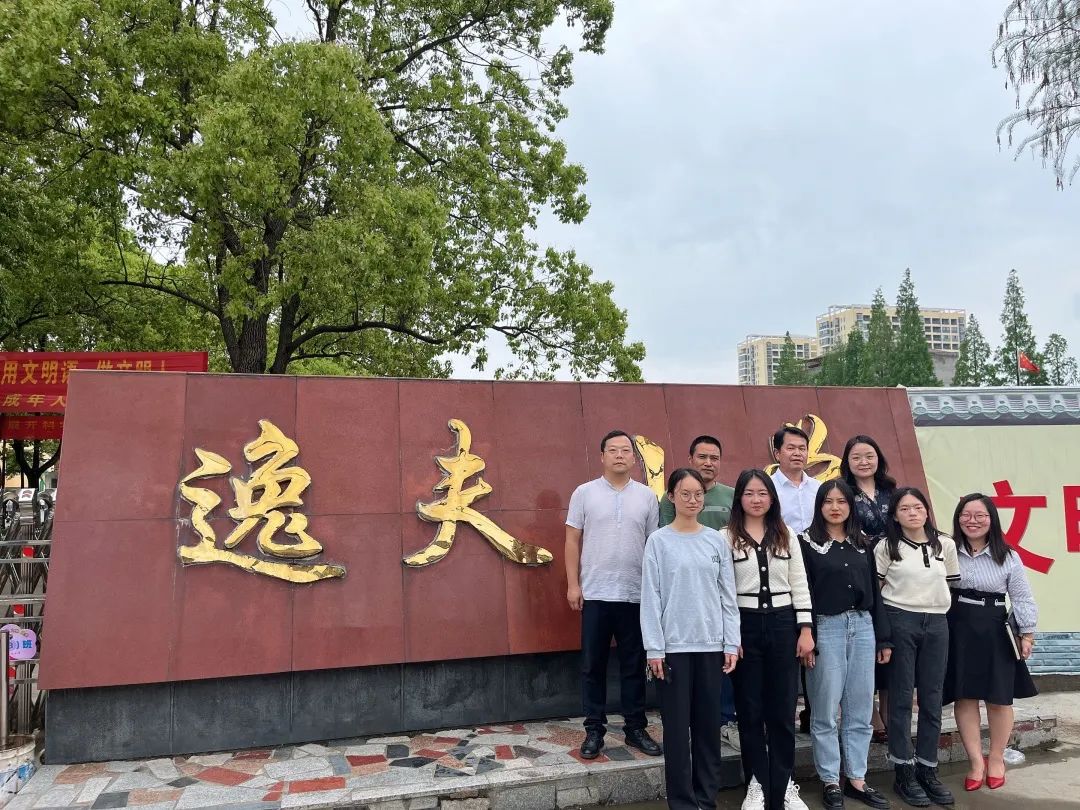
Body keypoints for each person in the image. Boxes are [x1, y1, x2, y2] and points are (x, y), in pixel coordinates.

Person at [642, 468, 741, 810]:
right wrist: (654, 648)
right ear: (671, 497)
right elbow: (650, 597)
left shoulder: (715, 540)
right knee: (676, 730)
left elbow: (727, 595)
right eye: (685, 493)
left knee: (708, 728)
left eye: (698, 494)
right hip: (673, 649)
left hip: (711, 646)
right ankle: (682, 802)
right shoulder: (658, 541)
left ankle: (705, 798)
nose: (692, 500)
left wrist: (731, 642)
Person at [565, 430, 663, 760]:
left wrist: (654, 591)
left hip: (635, 593)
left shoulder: (646, 497)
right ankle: (594, 730)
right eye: (613, 450)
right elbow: (571, 540)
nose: (619, 455)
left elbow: (653, 545)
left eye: (625, 450)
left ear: (634, 458)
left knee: (633, 665)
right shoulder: (584, 493)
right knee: (593, 666)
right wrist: (573, 584)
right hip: (595, 592)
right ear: (602, 456)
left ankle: (635, 728)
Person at [724, 469, 814, 810]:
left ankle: (784, 784)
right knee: (749, 710)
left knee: (782, 709)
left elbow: (800, 582)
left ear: (772, 498)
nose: (756, 499)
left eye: (762, 493)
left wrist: (805, 629)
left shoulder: (785, 534)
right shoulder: (726, 537)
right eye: (749, 493)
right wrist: (730, 635)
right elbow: (723, 591)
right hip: (745, 627)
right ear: (739, 498)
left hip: (782, 624)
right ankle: (757, 784)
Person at [800, 480, 892, 810]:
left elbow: (875, 593)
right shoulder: (806, 543)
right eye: (828, 501)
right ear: (819, 506)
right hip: (826, 627)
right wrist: (806, 633)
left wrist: (883, 638)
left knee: (860, 708)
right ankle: (830, 780)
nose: (835, 507)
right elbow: (803, 592)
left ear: (850, 506)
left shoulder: (862, 543)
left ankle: (856, 779)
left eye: (841, 501)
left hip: (863, 626)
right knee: (825, 710)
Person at [945, 494, 1038, 793]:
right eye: (966, 515)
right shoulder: (946, 549)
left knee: (999, 698)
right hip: (956, 627)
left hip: (994, 629)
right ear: (958, 518)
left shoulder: (1007, 556)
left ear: (991, 520)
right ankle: (975, 762)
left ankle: (996, 758)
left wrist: (1027, 634)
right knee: (964, 697)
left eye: (980, 515)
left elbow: (1022, 597)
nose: (972, 521)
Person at [874, 487, 959, 808]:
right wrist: (884, 635)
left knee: (932, 698)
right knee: (900, 698)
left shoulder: (945, 544)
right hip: (900, 620)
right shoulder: (887, 546)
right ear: (895, 515)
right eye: (905, 508)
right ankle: (903, 770)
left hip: (937, 623)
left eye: (918, 507)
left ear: (926, 511)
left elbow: (950, 584)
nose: (912, 513)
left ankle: (927, 768)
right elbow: (877, 590)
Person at [659, 435, 739, 750]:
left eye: (714, 457)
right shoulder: (669, 502)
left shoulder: (731, 496)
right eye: (702, 457)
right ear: (691, 459)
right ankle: (688, 726)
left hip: (723, 585)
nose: (708, 463)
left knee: (723, 662)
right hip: (682, 596)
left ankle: (724, 721)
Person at [840, 434, 898, 742]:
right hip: (861, 570)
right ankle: (871, 713)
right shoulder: (843, 493)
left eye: (869, 456)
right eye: (856, 457)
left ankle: (889, 710)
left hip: (896, 572)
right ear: (847, 462)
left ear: (878, 459)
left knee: (892, 644)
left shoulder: (891, 491)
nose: (863, 462)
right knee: (866, 645)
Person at [770, 426, 821, 534]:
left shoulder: (818, 487)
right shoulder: (768, 487)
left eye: (802, 449)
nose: (797, 453)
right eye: (791, 448)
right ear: (777, 454)